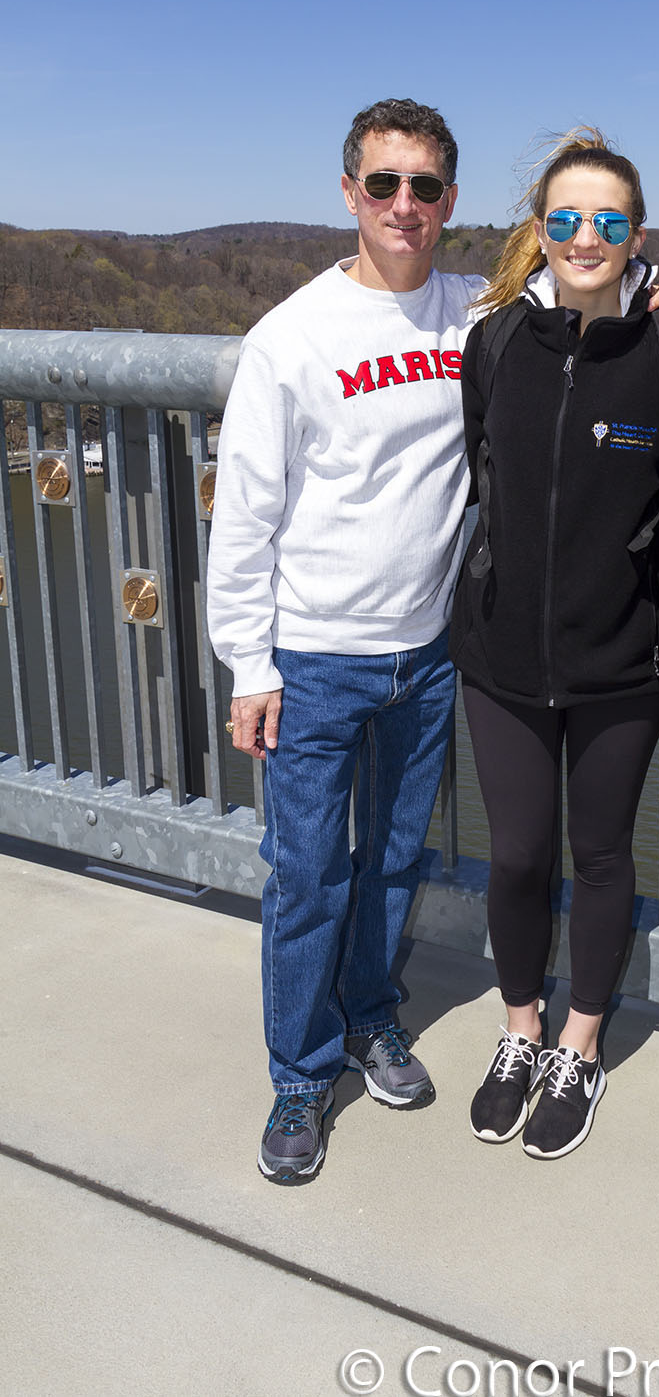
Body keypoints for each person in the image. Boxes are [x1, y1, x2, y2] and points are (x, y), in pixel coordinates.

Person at [207, 98, 486, 1183]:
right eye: (383, 183)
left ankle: (371, 1015)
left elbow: (583, 281)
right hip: (314, 661)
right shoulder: (292, 338)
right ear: (348, 193)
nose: (403, 205)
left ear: (448, 201)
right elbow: (246, 518)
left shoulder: (474, 310)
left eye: (424, 186)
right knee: (309, 876)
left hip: (428, 654)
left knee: (394, 858)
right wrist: (250, 665)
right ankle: (300, 1071)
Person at [450, 130, 659, 1160]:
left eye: (608, 220)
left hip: (621, 661)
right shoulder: (495, 345)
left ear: (636, 236)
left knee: (599, 857)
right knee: (517, 853)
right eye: (565, 218)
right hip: (503, 655)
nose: (585, 236)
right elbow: (482, 472)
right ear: (539, 230)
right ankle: (520, 1029)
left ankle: (580, 1046)